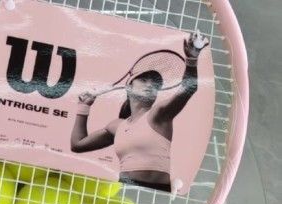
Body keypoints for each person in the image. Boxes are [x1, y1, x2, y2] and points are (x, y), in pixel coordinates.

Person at [70, 32, 208, 192]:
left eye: (155, 84)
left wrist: (192, 60)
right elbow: (77, 145)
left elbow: (189, 89)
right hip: (124, 189)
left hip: (156, 192)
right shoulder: (117, 126)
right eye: (143, 80)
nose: (150, 85)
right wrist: (83, 107)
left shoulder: (159, 114)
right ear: (129, 87)